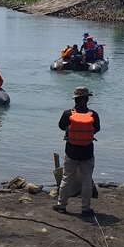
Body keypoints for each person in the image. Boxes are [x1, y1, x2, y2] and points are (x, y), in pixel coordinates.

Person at [54, 86, 100, 217]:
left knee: (67, 178)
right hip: (87, 151)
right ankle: (85, 208)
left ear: (75, 99)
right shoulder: (93, 114)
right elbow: (97, 128)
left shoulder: (68, 113)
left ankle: (61, 206)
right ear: (87, 99)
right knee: (86, 179)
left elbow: (61, 126)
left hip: (71, 151)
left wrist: (73, 132)